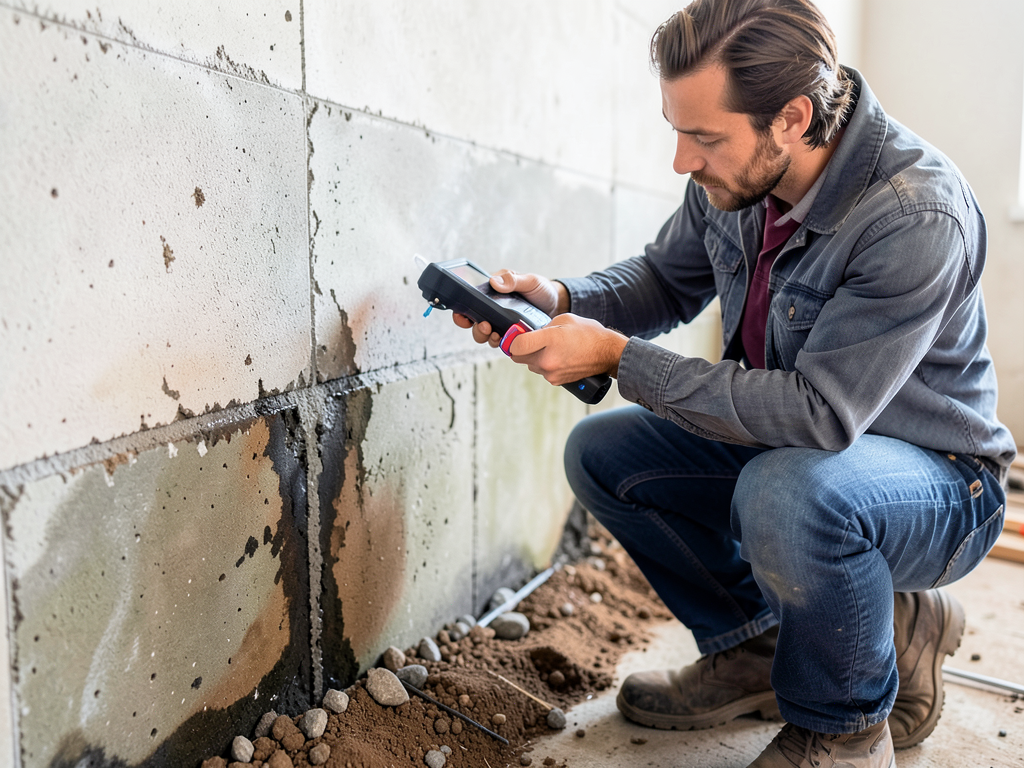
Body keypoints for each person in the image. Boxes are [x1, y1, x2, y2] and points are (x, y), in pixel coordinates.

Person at [454, 0, 1016, 766]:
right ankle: (756, 651)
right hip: (809, 456)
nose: (682, 161)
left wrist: (620, 359)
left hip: (942, 486)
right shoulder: (739, 178)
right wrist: (559, 299)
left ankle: (843, 728)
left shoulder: (913, 215)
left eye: (704, 137)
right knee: (605, 455)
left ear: (792, 116)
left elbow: (820, 416)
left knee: (787, 493)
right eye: (676, 129)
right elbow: (661, 280)